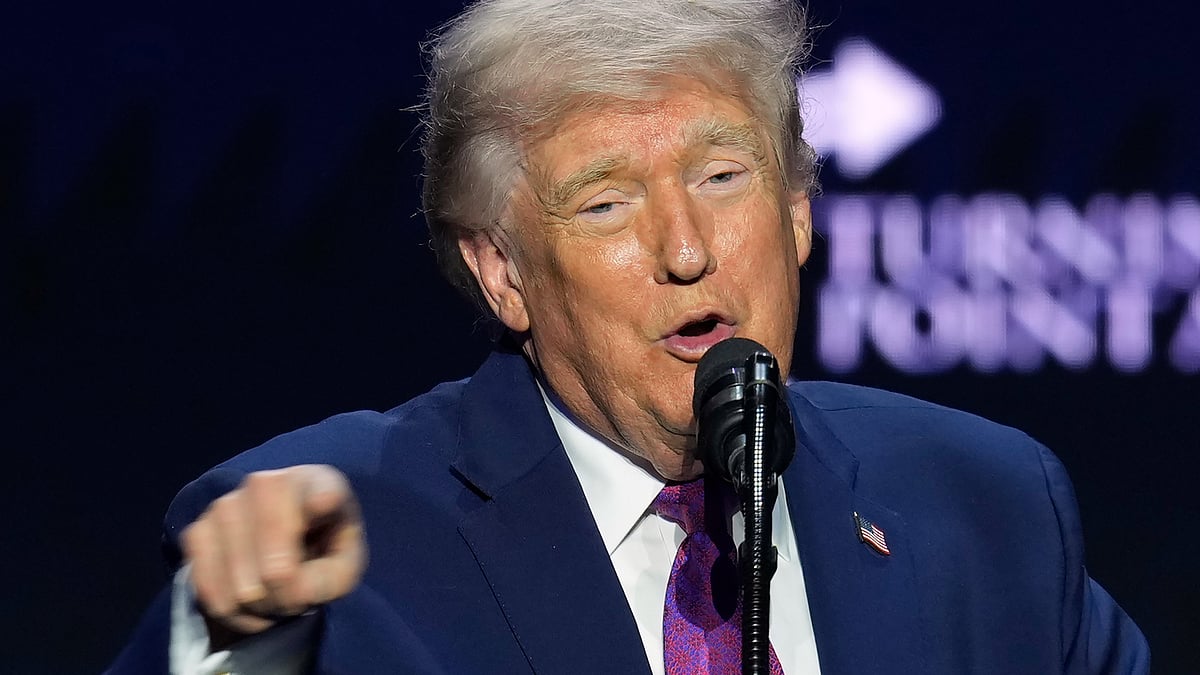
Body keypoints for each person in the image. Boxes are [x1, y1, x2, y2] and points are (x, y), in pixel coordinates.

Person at [108, 0, 1150, 673]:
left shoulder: (986, 508)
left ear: (797, 210)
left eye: (722, 176)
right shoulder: (342, 530)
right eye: (604, 204)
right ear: (503, 272)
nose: (687, 248)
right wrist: (235, 646)